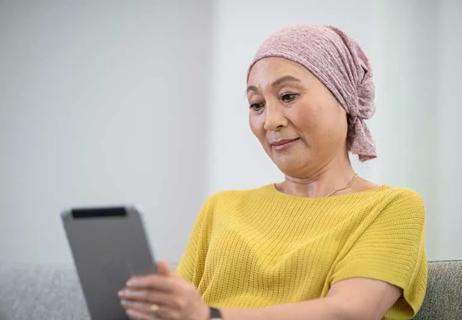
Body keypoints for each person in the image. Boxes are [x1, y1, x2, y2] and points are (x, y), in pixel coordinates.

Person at [118, 24, 427, 320]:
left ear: (343, 98)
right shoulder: (221, 208)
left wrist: (210, 316)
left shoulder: (392, 208)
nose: (270, 121)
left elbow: (350, 312)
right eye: (256, 104)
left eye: (288, 96)